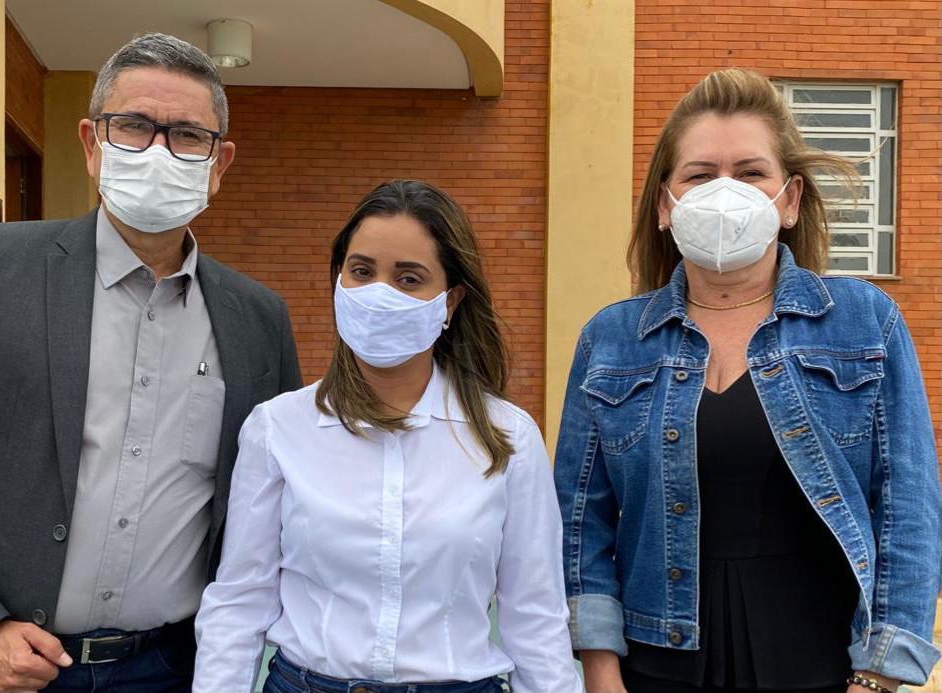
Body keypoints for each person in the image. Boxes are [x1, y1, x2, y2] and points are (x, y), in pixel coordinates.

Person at [0, 33, 302, 693]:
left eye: (187, 135)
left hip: (172, 670)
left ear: (219, 162)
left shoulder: (257, 320)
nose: (158, 151)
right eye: (134, 126)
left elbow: (270, 500)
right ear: (92, 144)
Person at [554, 68, 941, 693]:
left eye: (750, 172)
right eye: (700, 175)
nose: (724, 192)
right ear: (665, 204)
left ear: (789, 200)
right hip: (653, 667)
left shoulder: (865, 322)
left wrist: (878, 676)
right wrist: (600, 671)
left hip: (825, 668)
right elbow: (579, 520)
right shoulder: (612, 338)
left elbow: (908, 508)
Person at [192, 179, 582, 693]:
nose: (379, 294)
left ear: (450, 301)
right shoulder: (278, 428)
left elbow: (535, 615)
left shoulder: (508, 438)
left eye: (408, 278)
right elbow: (240, 600)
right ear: (338, 281)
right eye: (361, 271)